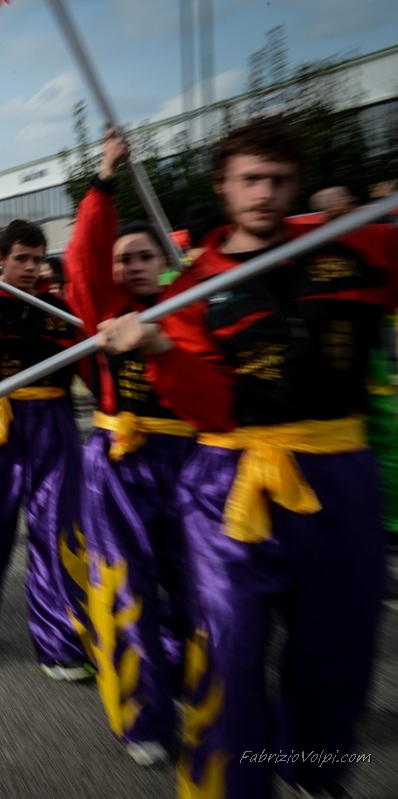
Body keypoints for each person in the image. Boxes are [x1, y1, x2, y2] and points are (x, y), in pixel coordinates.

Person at [98, 116, 395, 799]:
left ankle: (316, 772)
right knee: (228, 650)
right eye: (249, 180)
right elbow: (212, 410)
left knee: (338, 648)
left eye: (278, 180)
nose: (263, 193)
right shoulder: (189, 290)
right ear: (222, 186)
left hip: (339, 476)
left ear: (298, 184)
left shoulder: (354, 247)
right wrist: (156, 347)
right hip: (228, 488)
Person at [64, 129, 197, 767]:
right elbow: (85, 258)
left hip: (194, 465)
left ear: (163, 262)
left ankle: (198, 689)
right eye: (122, 259)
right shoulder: (107, 308)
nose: (130, 266)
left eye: (143, 256)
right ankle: (145, 717)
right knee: (127, 589)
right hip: (118, 465)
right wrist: (104, 178)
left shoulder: (189, 304)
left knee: (196, 588)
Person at [0, 219, 92, 677]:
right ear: (2, 262)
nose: (30, 268)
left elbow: (90, 367)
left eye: (36, 259)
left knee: (57, 533)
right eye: (20, 259)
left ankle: (60, 643)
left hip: (54, 425)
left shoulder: (60, 310)